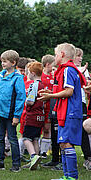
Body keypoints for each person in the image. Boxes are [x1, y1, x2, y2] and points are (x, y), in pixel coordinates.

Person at [39, 43, 86, 180]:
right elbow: (64, 89)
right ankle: (67, 176)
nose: (55, 57)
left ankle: (71, 177)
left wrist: (50, 96)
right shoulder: (66, 69)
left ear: (63, 55)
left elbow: (69, 91)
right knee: (62, 143)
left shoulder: (67, 70)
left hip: (69, 112)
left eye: (56, 54)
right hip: (65, 112)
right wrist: (50, 92)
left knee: (66, 143)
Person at [0, 50, 26, 172]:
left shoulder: (18, 78)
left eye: (5, 61)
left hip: (10, 114)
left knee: (12, 138)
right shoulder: (1, 75)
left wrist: (16, 115)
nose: (3, 64)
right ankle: (0, 162)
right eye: (2, 61)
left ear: (13, 62)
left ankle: (16, 164)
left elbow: (21, 98)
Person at [21, 62, 45, 170]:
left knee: (26, 138)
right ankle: (35, 162)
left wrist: (25, 101)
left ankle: (33, 156)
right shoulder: (42, 85)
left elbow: (30, 101)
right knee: (35, 138)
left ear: (33, 73)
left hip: (32, 115)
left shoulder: (33, 85)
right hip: (41, 116)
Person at [73, 47, 91, 170]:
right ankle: (69, 158)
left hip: (81, 103)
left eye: (81, 56)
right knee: (71, 130)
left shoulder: (84, 71)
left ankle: (88, 157)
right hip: (71, 104)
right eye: (78, 56)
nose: (80, 58)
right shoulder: (69, 70)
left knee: (84, 130)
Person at [40, 54, 55, 159]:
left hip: (50, 106)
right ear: (47, 64)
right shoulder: (40, 75)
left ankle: (44, 152)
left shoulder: (53, 76)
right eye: (52, 65)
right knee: (38, 128)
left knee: (47, 128)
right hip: (39, 107)